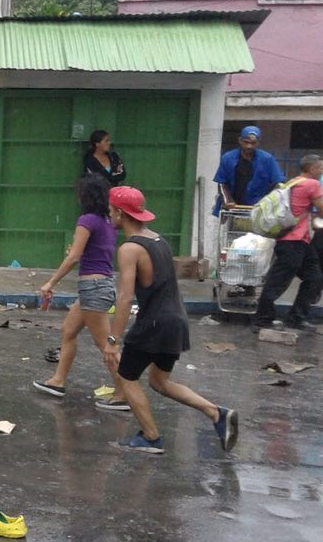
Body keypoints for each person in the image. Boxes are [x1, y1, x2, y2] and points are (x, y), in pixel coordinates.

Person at [102, 186, 238, 455]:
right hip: (176, 320)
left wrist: (112, 341)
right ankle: (216, 413)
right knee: (159, 381)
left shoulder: (130, 248)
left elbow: (125, 297)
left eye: (110, 210)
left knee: (127, 377)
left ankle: (151, 437)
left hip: (154, 323)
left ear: (120, 212)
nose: (109, 214)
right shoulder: (158, 240)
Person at [32, 175, 124, 406]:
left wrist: (50, 282)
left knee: (105, 345)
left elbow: (74, 257)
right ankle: (58, 380)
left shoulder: (87, 220)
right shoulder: (106, 221)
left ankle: (125, 394)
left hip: (93, 288)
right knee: (69, 331)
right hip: (98, 286)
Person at [253, 154, 323, 329]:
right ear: (312, 169)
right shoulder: (312, 184)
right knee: (277, 282)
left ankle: (297, 317)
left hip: (300, 241)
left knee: (314, 277)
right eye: (320, 168)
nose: (321, 171)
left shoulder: (294, 182)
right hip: (293, 242)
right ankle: (263, 319)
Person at [213, 125, 285, 215]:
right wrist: (227, 200)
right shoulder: (228, 158)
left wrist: (268, 201)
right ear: (240, 141)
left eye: (253, 143)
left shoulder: (267, 159)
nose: (249, 146)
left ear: (258, 143)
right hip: (232, 208)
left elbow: (279, 183)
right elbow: (222, 183)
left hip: (258, 208)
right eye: (246, 142)